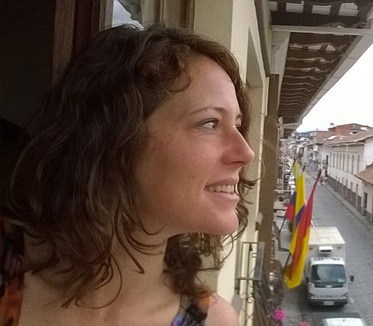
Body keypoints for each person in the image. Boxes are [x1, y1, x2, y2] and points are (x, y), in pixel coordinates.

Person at [2, 24, 255, 325]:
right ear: (117, 139)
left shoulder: (212, 321)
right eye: (210, 123)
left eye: (237, 125)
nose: (246, 153)